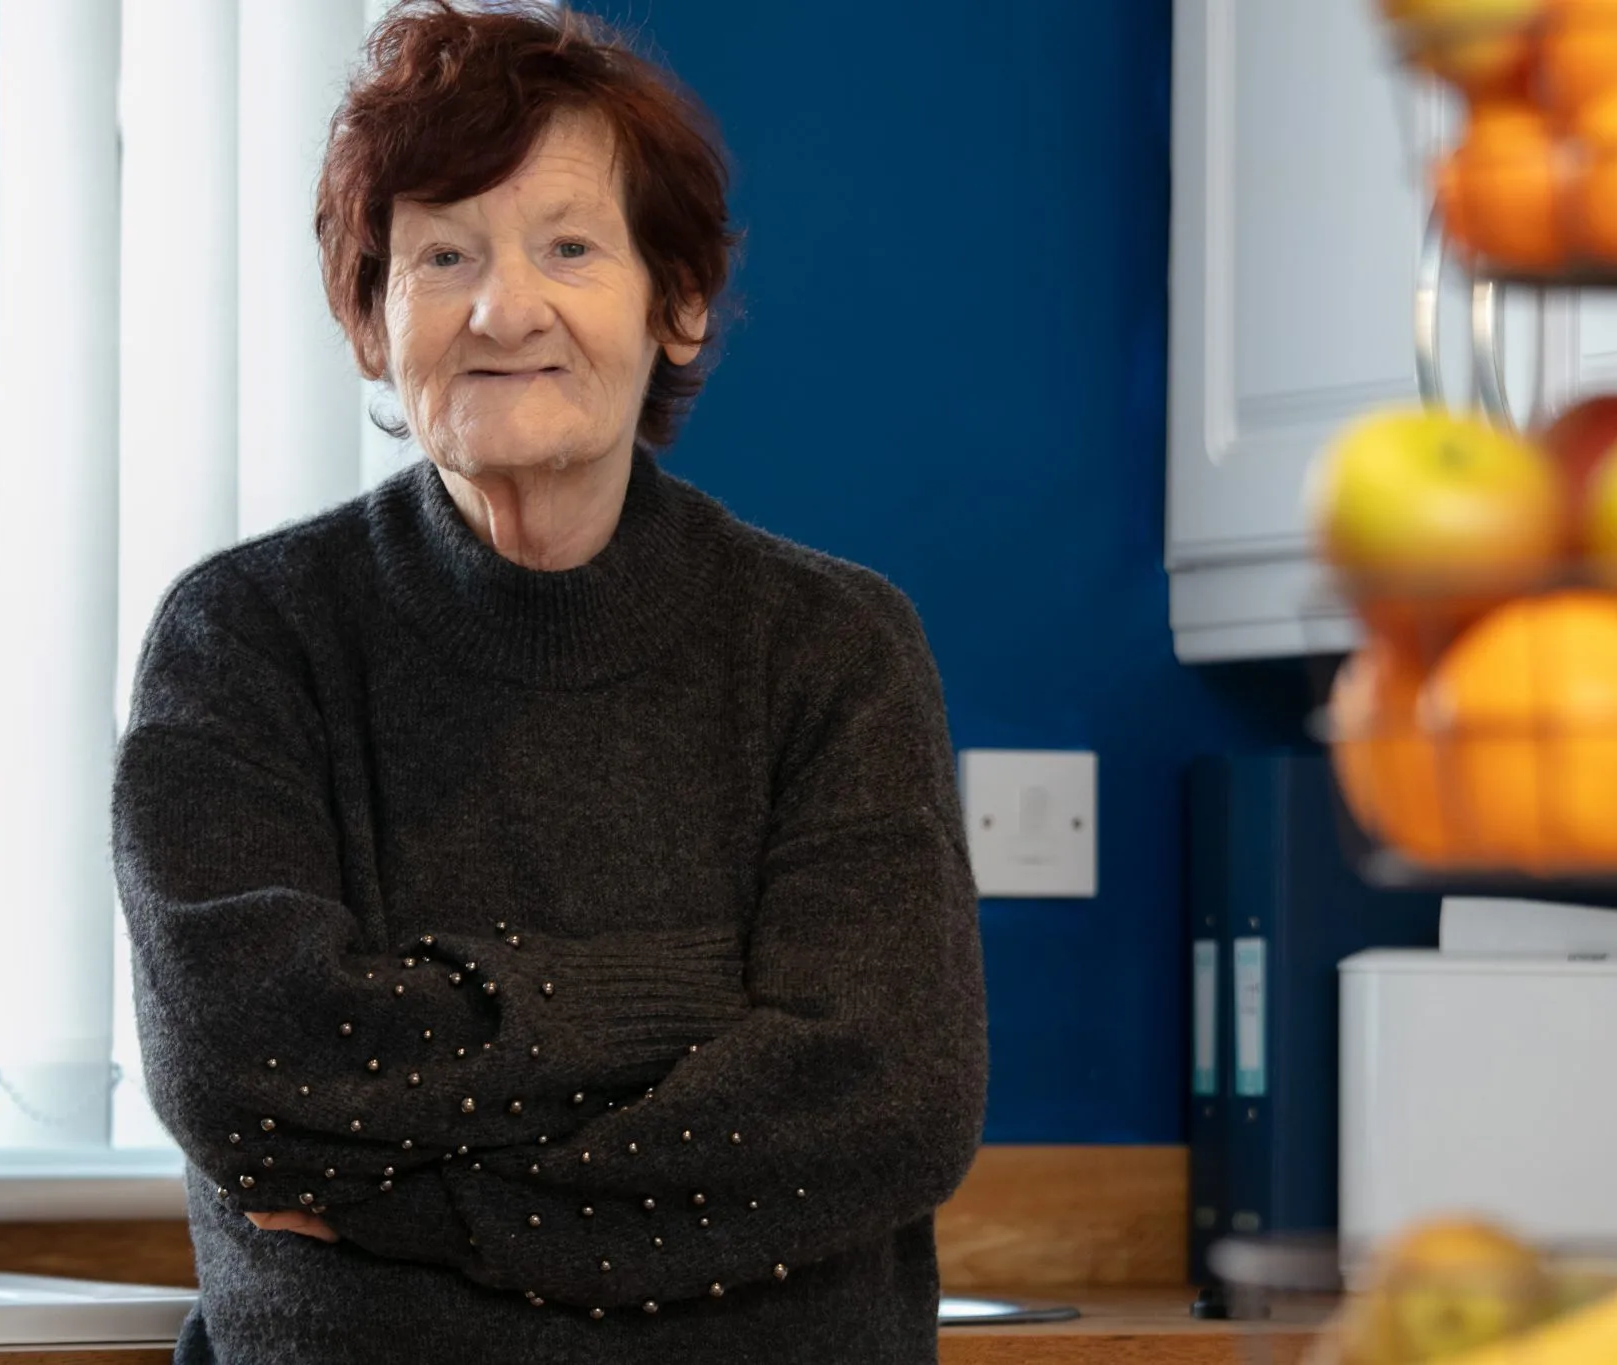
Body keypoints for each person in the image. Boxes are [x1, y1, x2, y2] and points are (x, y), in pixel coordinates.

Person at [109, 3, 989, 1362]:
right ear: (369, 322)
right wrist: (700, 999)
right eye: (442, 255)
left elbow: (886, 1097)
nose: (503, 309)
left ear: (676, 304)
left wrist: (430, 1214)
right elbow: (252, 1067)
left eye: (569, 248)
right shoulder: (245, 639)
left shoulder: (834, 647)